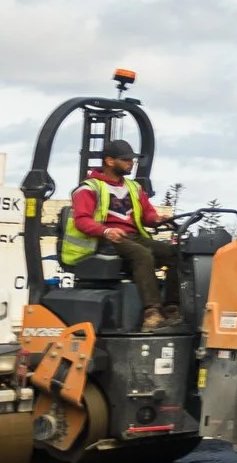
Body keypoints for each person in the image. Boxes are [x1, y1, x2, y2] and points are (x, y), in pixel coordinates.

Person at [62, 138, 188, 324]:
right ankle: (151, 311)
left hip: (132, 237)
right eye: (126, 160)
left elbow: (147, 215)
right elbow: (82, 221)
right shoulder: (88, 189)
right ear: (110, 161)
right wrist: (106, 231)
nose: (131, 163)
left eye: (132, 160)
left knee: (175, 254)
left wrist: (157, 220)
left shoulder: (134, 188)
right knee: (142, 254)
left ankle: (171, 307)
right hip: (104, 240)